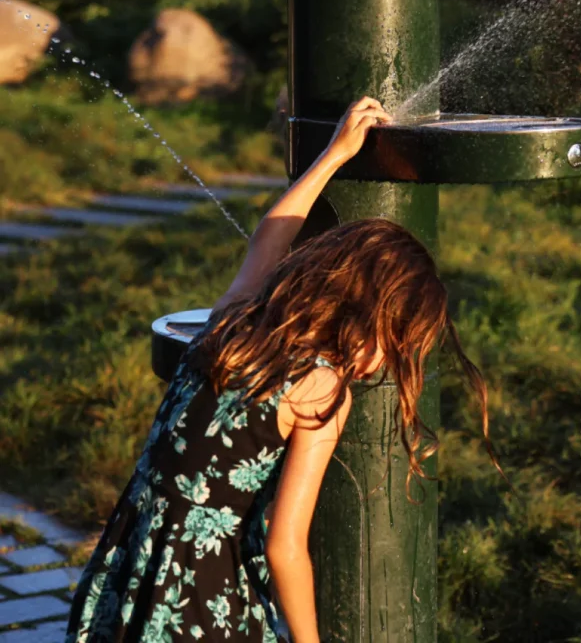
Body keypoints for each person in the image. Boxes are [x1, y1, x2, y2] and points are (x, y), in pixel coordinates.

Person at [65, 97, 495, 643]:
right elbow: (284, 545)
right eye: (395, 341)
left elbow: (272, 234)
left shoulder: (233, 320)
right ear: (365, 319)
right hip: (202, 600)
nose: (388, 361)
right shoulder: (321, 389)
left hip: (134, 566)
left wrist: (332, 156)